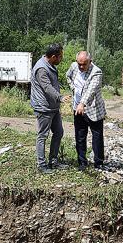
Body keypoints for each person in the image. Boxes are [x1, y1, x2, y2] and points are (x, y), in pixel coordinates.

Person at [30, 44, 68, 173]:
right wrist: (60, 97)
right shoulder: (42, 69)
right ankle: (41, 165)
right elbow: (46, 87)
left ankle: (53, 161)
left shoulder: (50, 65)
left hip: (53, 107)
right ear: (53, 57)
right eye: (60, 57)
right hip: (44, 108)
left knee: (58, 132)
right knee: (43, 135)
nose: (61, 59)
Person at [66, 51, 106, 169]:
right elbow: (67, 75)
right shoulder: (74, 66)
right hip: (77, 108)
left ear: (90, 62)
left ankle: (98, 163)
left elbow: (91, 91)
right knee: (80, 136)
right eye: (80, 64)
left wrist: (82, 103)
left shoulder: (96, 72)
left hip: (93, 109)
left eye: (84, 64)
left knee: (97, 136)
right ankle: (82, 162)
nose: (81, 67)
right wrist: (72, 88)